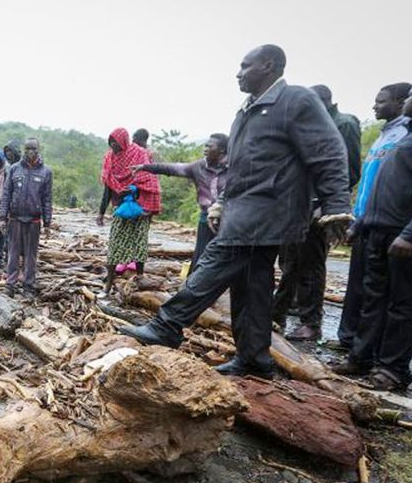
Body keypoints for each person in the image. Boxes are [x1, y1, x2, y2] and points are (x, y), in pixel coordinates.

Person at [120, 44, 352, 378]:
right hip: (245, 207)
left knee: (214, 263)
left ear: (268, 66)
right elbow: (243, 169)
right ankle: (254, 358)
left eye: (245, 66)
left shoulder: (296, 101)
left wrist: (337, 206)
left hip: (269, 210)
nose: (238, 72)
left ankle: (167, 326)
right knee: (251, 285)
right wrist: (222, 202)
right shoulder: (247, 111)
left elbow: (329, 153)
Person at [339, 75, 412, 390]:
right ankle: (361, 358)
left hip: (408, 236)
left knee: (404, 303)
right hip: (381, 229)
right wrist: (361, 222)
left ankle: (392, 369)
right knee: (374, 299)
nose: (407, 100)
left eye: (411, 95)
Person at [271, 85, 362, 341]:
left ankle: (312, 323)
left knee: (311, 265)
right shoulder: (307, 125)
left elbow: (347, 171)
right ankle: (277, 314)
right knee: (288, 263)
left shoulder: (344, 124)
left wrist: (329, 205)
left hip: (317, 207)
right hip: (295, 205)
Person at [329, 83, 412, 352]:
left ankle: (369, 351)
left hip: (389, 222)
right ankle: (349, 339)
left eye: (381, 101)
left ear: (401, 101)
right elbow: (368, 182)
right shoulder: (383, 135)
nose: (374, 106)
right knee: (358, 286)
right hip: (365, 218)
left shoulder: (407, 134)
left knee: (380, 292)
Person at [131, 133, 228, 275]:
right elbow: (171, 168)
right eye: (205, 145)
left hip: (229, 220)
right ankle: (194, 288)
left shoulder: (234, 169)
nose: (205, 148)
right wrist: (145, 167)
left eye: (209, 146)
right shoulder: (198, 167)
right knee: (202, 255)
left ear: (222, 150)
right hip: (206, 219)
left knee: (226, 256)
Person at [97, 128, 161, 293]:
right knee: (115, 244)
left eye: (116, 143)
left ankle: (139, 278)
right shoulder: (110, 159)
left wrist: (133, 188)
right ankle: (108, 285)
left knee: (139, 243)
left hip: (140, 208)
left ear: (124, 142)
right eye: (111, 143)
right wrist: (101, 213)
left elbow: (149, 180)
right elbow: (108, 188)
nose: (113, 146)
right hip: (120, 209)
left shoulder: (140, 154)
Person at [0, 137, 53, 298]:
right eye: (28, 148)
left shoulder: (46, 172)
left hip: (34, 221)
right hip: (15, 218)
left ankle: (28, 287)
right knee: (13, 254)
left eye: (34, 149)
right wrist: (2, 217)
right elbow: (6, 194)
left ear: (38, 150)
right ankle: (10, 285)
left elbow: (47, 199)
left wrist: (47, 223)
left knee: (31, 256)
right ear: (24, 150)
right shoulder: (14, 169)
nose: (31, 152)